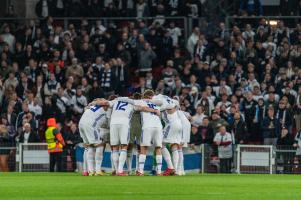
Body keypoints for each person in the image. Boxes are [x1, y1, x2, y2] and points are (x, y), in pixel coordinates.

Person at [93, 96, 159, 176]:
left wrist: (94, 103)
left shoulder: (116, 101)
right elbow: (143, 108)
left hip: (113, 124)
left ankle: (116, 170)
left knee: (114, 147)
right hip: (124, 124)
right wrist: (155, 110)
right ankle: (120, 171)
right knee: (124, 147)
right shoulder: (131, 104)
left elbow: (106, 103)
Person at [78, 98, 110, 176]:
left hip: (81, 124)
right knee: (100, 144)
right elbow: (108, 124)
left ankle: (89, 171)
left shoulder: (92, 107)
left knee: (89, 146)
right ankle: (97, 170)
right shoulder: (105, 109)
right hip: (91, 125)